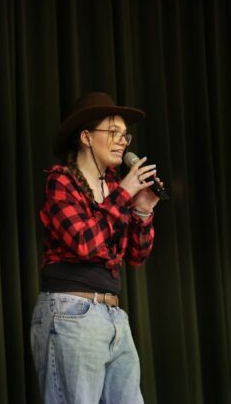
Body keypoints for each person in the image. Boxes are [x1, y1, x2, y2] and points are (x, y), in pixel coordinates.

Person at [30, 92, 162, 404]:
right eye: (113, 132)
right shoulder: (61, 181)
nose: (122, 142)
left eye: (124, 135)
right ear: (86, 137)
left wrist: (142, 211)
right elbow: (84, 244)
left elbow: (136, 255)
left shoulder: (116, 188)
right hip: (71, 311)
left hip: (114, 315)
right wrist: (125, 194)